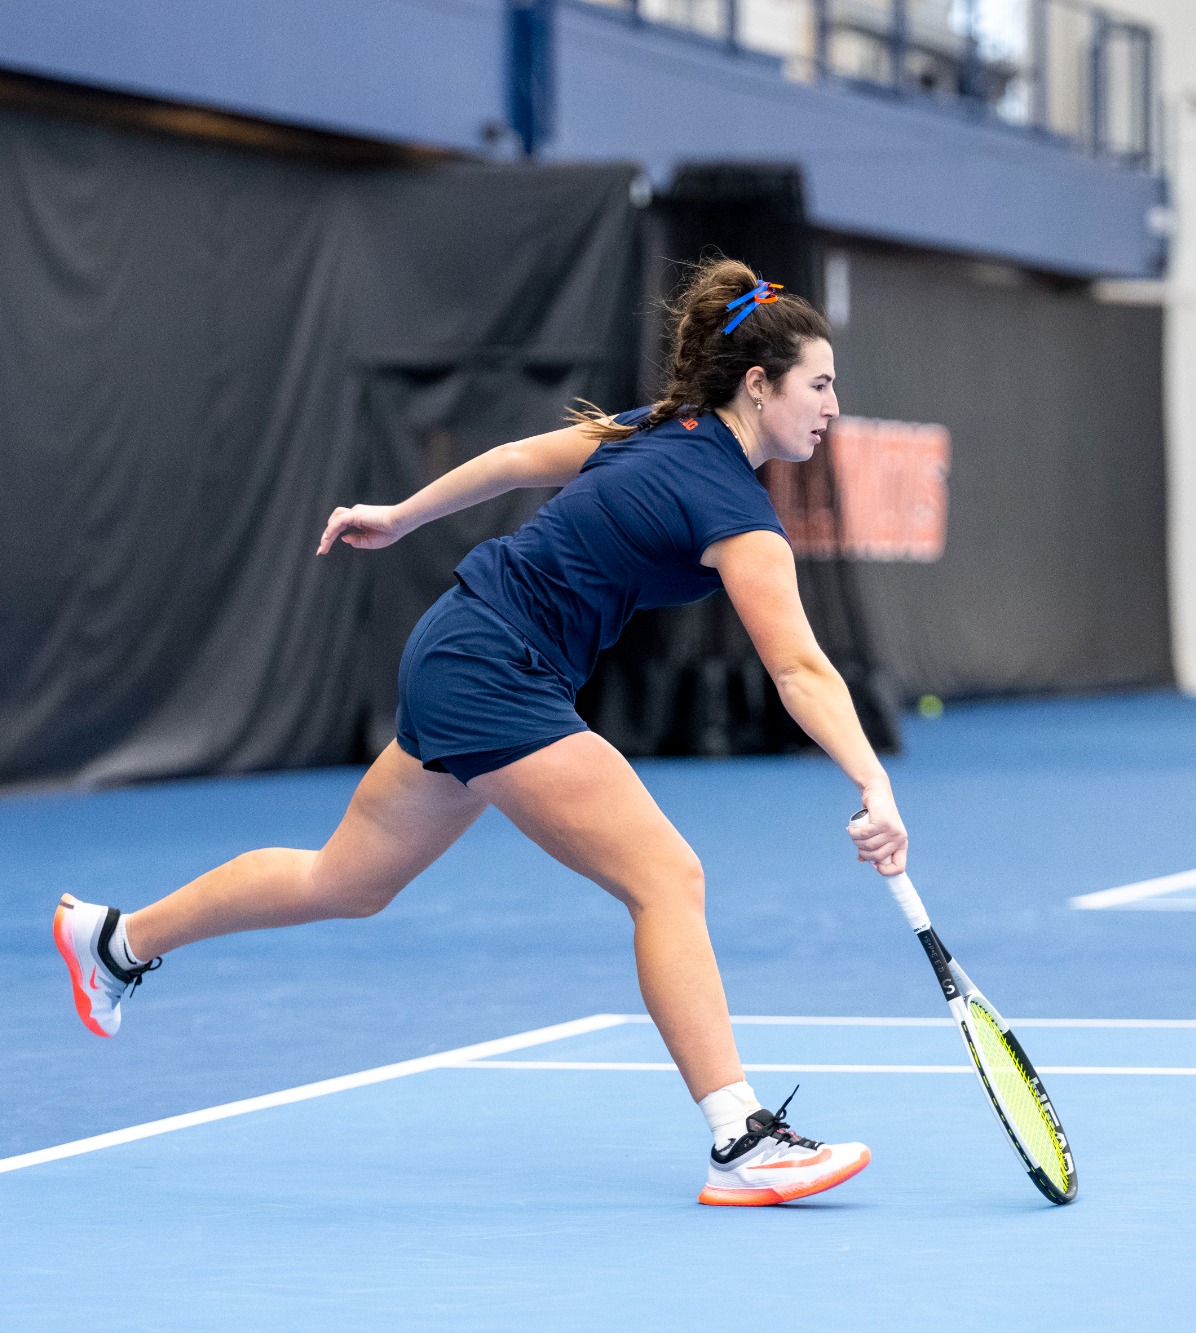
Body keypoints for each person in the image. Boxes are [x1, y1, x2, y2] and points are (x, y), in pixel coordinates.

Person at [52, 258, 909, 1207]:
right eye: (820, 384)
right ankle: (741, 1140)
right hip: (497, 667)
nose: (833, 404)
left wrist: (403, 514)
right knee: (666, 878)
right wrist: (874, 782)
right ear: (760, 384)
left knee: (346, 879)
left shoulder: (654, 428)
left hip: (461, 644)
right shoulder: (734, 511)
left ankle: (117, 942)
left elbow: (511, 460)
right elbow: (798, 667)